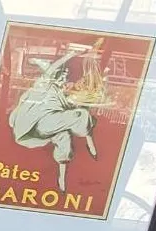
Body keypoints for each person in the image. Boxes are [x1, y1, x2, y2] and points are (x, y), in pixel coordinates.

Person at [8, 45, 98, 192]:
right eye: (62, 75)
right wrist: (70, 55)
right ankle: (89, 140)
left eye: (66, 77)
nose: (64, 79)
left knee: (64, 136)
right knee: (79, 115)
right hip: (38, 124)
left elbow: (77, 101)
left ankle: (62, 178)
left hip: (47, 126)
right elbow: (51, 69)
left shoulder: (64, 95)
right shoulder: (45, 84)